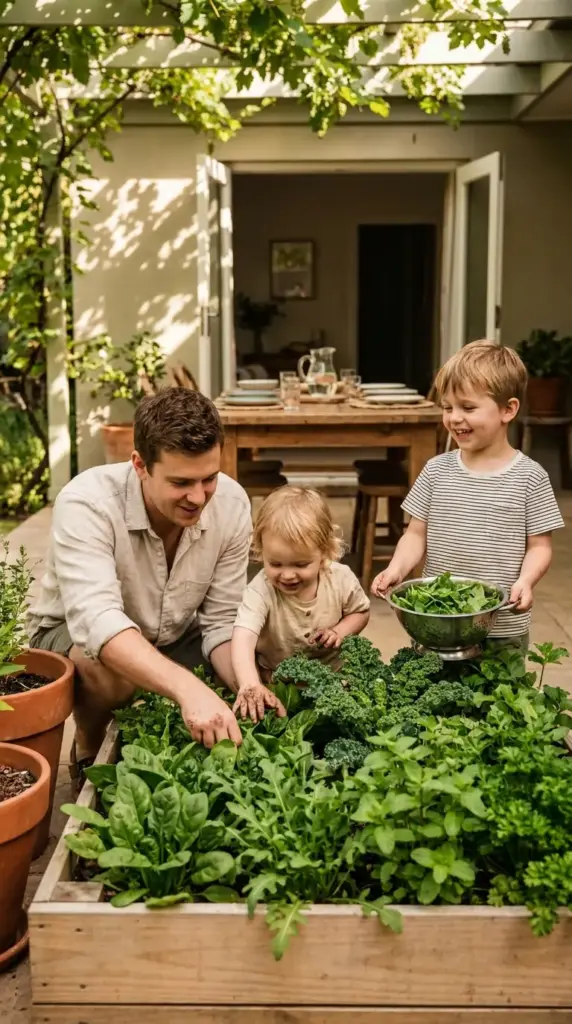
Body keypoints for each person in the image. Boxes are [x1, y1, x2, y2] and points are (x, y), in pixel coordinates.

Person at [27, 387, 249, 777]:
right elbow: (98, 623)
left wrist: (247, 684)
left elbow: (221, 621)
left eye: (209, 478)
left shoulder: (232, 503)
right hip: (74, 639)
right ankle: (91, 749)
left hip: (175, 632)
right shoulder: (87, 502)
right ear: (140, 465)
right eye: (181, 483)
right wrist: (188, 688)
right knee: (106, 669)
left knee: (258, 648)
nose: (198, 497)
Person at [371, 340, 565, 652]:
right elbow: (415, 534)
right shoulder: (436, 470)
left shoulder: (530, 477)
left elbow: (540, 547)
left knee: (501, 700)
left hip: (501, 625)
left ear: (508, 410)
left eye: (468, 408)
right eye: (448, 407)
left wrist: (526, 581)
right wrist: (397, 568)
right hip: (437, 619)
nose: (454, 418)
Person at [231, 486, 370, 722]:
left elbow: (361, 612)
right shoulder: (261, 589)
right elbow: (243, 636)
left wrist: (340, 631)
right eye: (275, 564)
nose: (287, 575)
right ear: (261, 550)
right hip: (277, 681)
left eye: (300, 564)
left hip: (333, 678)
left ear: (325, 552)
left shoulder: (340, 578)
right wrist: (250, 683)